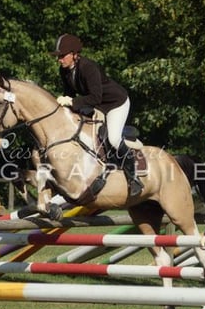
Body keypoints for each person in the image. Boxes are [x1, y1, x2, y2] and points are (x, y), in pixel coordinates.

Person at [50, 33, 143, 197]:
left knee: (113, 138)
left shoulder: (88, 67)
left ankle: (133, 178)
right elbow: (70, 94)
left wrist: (71, 102)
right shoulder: (64, 71)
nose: (60, 59)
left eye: (63, 56)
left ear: (74, 54)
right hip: (96, 105)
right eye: (59, 56)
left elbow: (95, 97)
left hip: (115, 103)